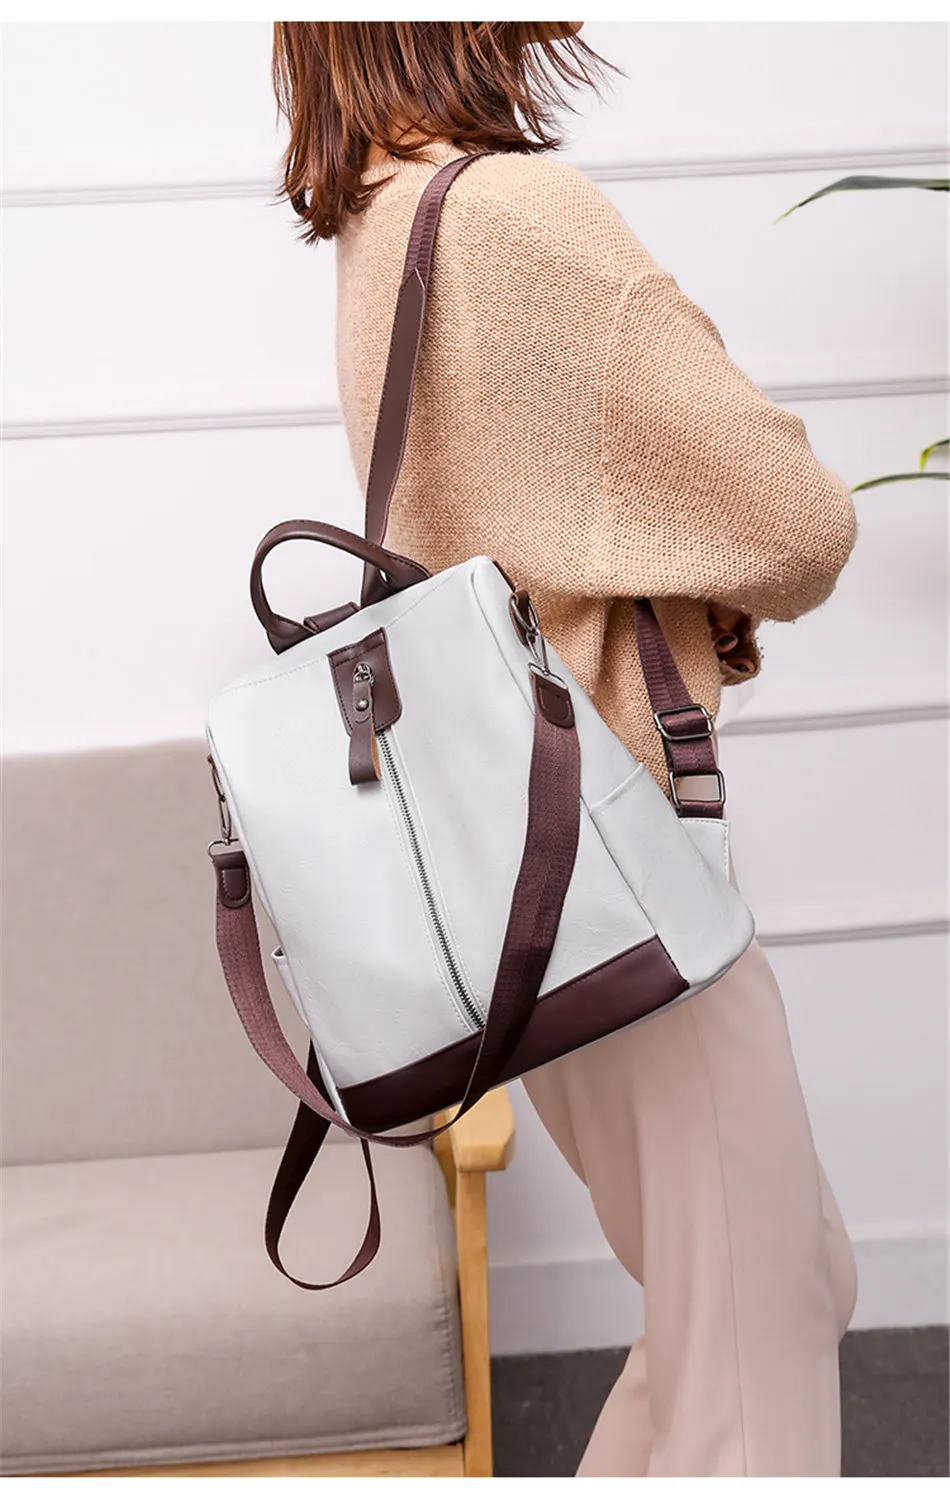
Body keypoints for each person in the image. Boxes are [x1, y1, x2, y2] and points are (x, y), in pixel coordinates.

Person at [272, 21, 859, 1477]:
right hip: (618, 860)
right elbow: (797, 520)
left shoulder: (384, 216)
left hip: (524, 884)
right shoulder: (516, 215)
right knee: (751, 1338)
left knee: (763, 1296)